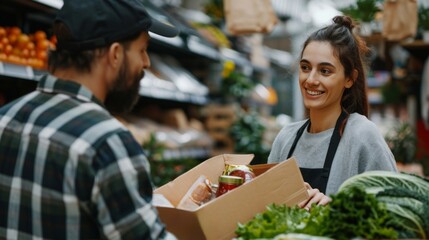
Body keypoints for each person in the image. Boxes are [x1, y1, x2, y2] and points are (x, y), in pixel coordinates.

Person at [0, 0, 179, 239]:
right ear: (115, 54)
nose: (146, 62)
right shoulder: (108, 143)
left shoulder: (4, 117)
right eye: (142, 50)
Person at [268, 16, 397, 209]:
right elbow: (265, 207)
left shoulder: (362, 136)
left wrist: (336, 210)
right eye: (305, 68)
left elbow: (395, 211)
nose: (310, 79)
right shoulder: (285, 139)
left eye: (325, 71)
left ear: (350, 79)